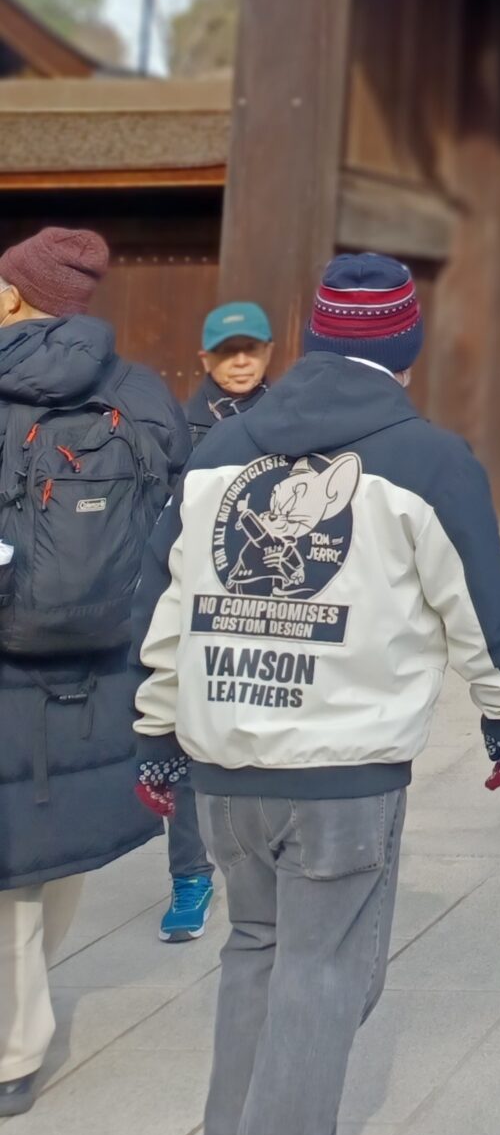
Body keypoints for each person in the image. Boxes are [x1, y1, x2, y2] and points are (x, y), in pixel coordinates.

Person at [133, 251, 500, 1135]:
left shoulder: (219, 456)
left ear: (312, 338)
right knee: (325, 974)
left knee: (255, 950)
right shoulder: (430, 461)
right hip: (343, 770)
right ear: (406, 347)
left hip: (224, 757)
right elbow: (479, 606)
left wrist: (156, 731)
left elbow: (165, 603)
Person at [0, 226, 188, 1117]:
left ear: (12, 296)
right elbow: (172, 534)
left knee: (5, 883)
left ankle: (11, 1051)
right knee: (50, 849)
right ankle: (21, 1020)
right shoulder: (142, 392)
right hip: (95, 670)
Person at [162, 300, 277, 947]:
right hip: (197, 601)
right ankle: (189, 875)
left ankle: (264, 869)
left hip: (270, 603)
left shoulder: (294, 419)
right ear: (204, 359)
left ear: (267, 355)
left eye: (251, 350)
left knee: (265, 741)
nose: (239, 362)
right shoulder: (178, 427)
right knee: (187, 744)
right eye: (227, 351)